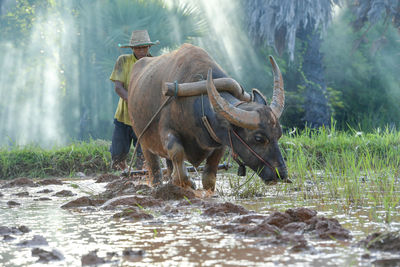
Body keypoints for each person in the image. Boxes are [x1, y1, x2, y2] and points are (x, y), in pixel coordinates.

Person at [109, 30, 159, 170]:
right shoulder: (123, 61)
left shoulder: (155, 63)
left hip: (145, 119)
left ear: (149, 47)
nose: (141, 50)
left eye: (144, 47)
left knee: (144, 160)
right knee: (117, 158)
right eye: (137, 48)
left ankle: (141, 182)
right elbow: (118, 88)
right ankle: (123, 179)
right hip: (124, 116)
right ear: (132, 48)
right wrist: (133, 102)